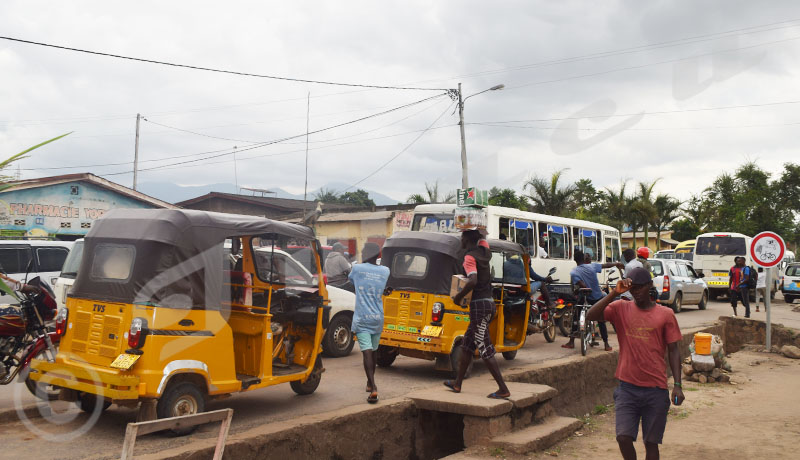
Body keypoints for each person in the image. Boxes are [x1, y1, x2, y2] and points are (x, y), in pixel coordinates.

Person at [586, 267, 684, 460]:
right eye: (633, 288)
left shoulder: (665, 314)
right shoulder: (620, 308)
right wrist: (614, 293)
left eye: (640, 287)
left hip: (656, 389)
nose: (636, 292)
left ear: (649, 286)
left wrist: (678, 386)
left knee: (651, 443)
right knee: (623, 437)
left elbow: (674, 351)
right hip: (627, 388)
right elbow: (591, 315)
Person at [444, 229, 511, 399]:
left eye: (462, 236)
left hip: (479, 306)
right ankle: (457, 383)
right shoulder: (484, 252)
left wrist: (458, 297)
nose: (460, 239)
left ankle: (503, 389)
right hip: (488, 303)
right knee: (467, 345)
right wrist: (479, 230)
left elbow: (472, 280)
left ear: (466, 239)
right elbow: (483, 239)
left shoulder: (469, 258)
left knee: (484, 347)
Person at [348, 242, 390, 404]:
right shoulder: (385, 271)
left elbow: (351, 279)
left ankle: (373, 387)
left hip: (363, 318)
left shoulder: (357, 269)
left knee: (366, 352)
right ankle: (368, 383)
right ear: (378, 256)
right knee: (373, 352)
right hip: (377, 317)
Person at [562, 249, 624, 351]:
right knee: (600, 319)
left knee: (576, 317)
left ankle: (571, 342)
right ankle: (606, 344)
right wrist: (616, 264)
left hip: (584, 297)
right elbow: (606, 265)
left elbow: (581, 285)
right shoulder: (592, 266)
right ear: (584, 259)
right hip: (597, 297)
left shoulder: (574, 272)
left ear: (575, 260)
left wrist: (583, 289)